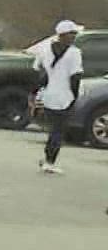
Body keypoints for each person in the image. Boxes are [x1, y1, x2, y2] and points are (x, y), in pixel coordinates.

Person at [31, 19, 86, 174]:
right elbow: (75, 77)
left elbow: (39, 72)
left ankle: (48, 158)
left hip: (49, 95)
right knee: (58, 131)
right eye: (72, 34)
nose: (74, 36)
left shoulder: (44, 49)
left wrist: (36, 93)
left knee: (53, 129)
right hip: (65, 96)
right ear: (63, 35)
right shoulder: (74, 53)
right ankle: (50, 161)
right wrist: (74, 97)